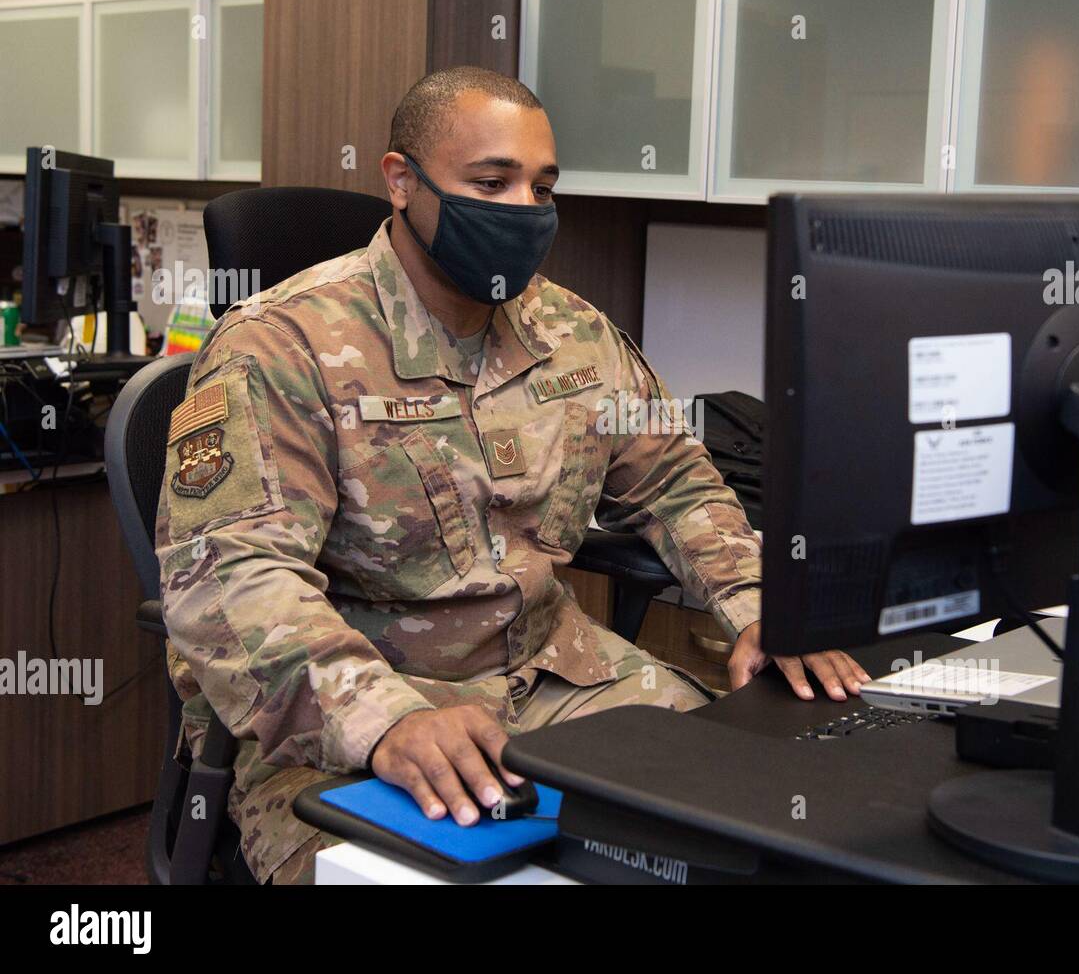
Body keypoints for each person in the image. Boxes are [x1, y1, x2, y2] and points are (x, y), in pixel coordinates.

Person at [155, 66, 868, 884]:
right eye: (492, 182)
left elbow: (675, 480)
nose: (526, 211)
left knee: (757, 827)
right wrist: (383, 719)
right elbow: (233, 579)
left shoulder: (572, 330)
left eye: (542, 186)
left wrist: (754, 604)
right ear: (401, 182)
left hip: (557, 682)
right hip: (352, 721)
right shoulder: (279, 346)